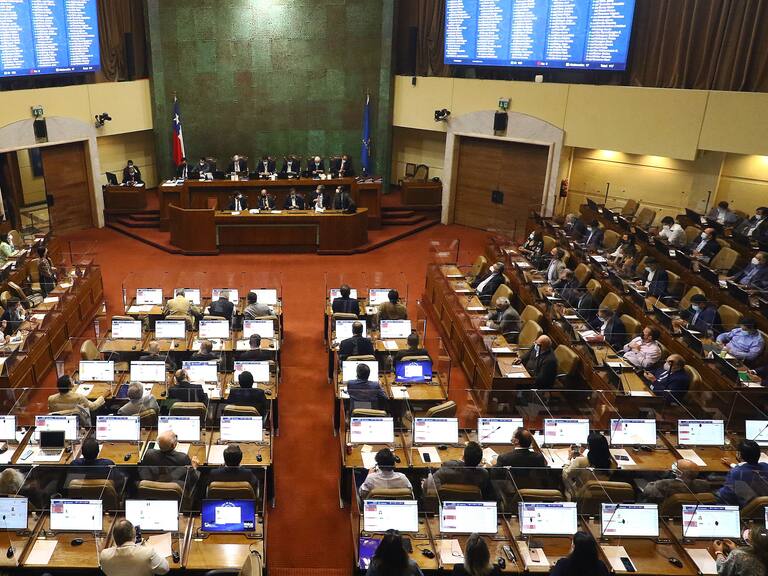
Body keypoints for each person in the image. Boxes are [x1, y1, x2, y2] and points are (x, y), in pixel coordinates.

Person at [424, 442, 494, 500]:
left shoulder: (446, 470)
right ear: (480, 460)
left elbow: (430, 485)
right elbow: (484, 490)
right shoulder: (484, 474)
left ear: (463, 457)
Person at [99, 519, 170, 576]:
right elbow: (165, 569)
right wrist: (146, 546)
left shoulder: (104, 555)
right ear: (134, 536)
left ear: (114, 538)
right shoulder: (148, 553)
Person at [562, 431, 613, 498]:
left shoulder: (580, 461)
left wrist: (569, 458)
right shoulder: (612, 463)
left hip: (582, 496)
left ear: (589, 447)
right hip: (602, 496)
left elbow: (566, 474)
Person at [718, 440, 768, 507]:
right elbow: (749, 470)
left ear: (739, 455)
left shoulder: (736, 473)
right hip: (763, 508)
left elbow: (726, 496)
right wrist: (733, 465)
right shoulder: (765, 466)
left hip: (746, 510)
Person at [642, 459, 710, 503]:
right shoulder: (704, 486)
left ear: (679, 473)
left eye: (676, 466)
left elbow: (647, 493)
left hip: (663, 509)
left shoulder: (662, 485)